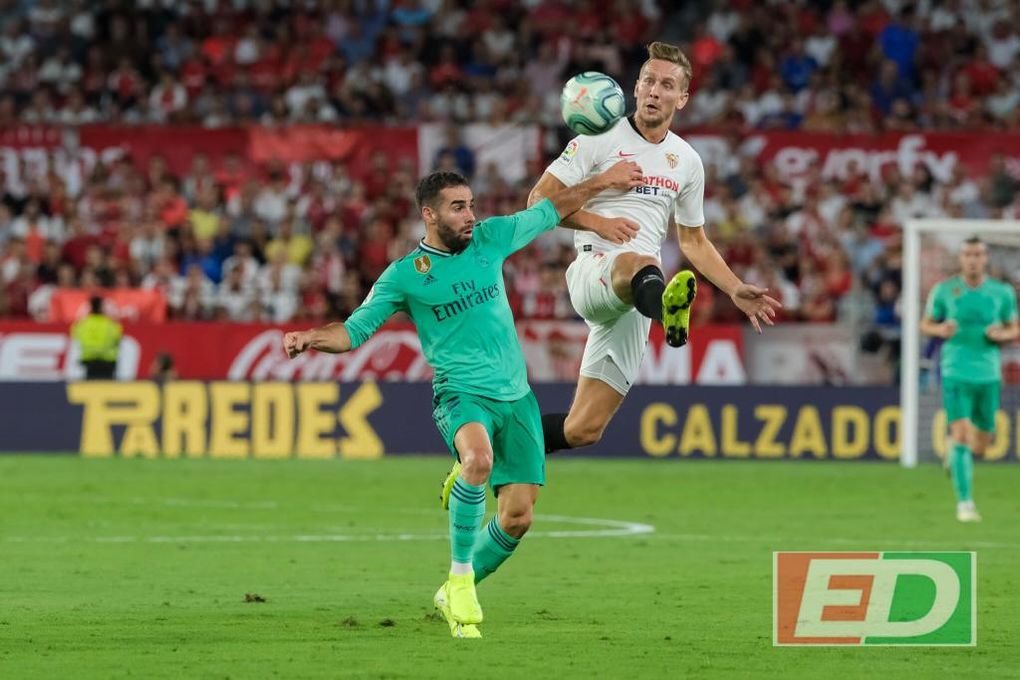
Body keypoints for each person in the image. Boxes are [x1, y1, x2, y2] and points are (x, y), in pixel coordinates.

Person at [283, 163, 643, 639]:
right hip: (460, 393)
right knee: (477, 459)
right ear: (429, 216)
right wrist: (312, 336)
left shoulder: (492, 238)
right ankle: (459, 579)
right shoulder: (406, 276)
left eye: (471, 204)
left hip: (517, 398)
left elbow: (550, 209)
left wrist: (602, 181)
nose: (470, 215)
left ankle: (457, 583)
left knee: (518, 518)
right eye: (458, 208)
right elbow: (354, 331)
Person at [530, 41, 782, 454]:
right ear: (634, 87)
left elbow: (693, 240)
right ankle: (668, 311)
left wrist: (735, 288)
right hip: (595, 270)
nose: (654, 90)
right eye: (648, 80)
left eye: (667, 85)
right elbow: (536, 202)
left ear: (682, 98)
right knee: (642, 259)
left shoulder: (686, 160)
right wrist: (599, 205)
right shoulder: (598, 136)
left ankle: (493, 449)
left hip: (635, 301)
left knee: (583, 429)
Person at [920, 237, 1018, 522]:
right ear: (961, 259)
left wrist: (1003, 334)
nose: (973, 259)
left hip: (988, 373)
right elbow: (925, 323)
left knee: (982, 444)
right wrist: (940, 329)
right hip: (955, 370)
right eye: (967, 254)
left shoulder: (1002, 293)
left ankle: (954, 455)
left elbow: (1013, 327)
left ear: (985, 258)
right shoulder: (945, 290)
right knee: (961, 433)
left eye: (977, 254)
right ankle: (965, 503)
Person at [70, 295, 123, 380]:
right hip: (107, 363)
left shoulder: (82, 324)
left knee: (90, 390)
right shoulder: (111, 324)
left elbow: (75, 336)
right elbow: (117, 340)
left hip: (89, 362)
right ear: (101, 308)